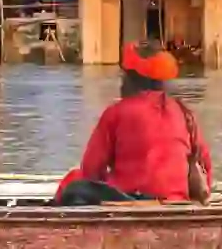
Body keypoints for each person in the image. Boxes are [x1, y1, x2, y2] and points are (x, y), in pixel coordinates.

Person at [53, 41, 213, 206]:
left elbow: (90, 170)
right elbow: (205, 168)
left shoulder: (116, 113)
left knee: (74, 181)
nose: (121, 82)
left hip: (129, 201)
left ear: (132, 80)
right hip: (176, 201)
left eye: (124, 76)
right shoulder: (183, 112)